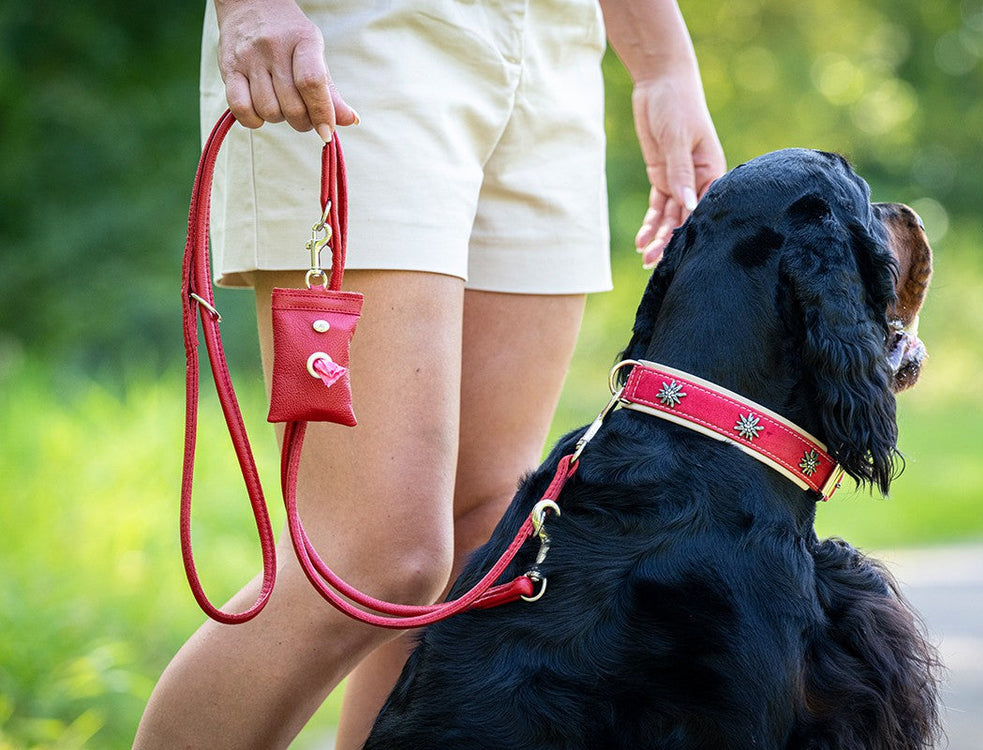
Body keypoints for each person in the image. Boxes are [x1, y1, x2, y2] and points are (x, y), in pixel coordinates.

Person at [134, 0, 725, 747]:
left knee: (481, 537)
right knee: (376, 559)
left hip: (551, 49)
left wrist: (664, 63)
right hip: (365, 35)